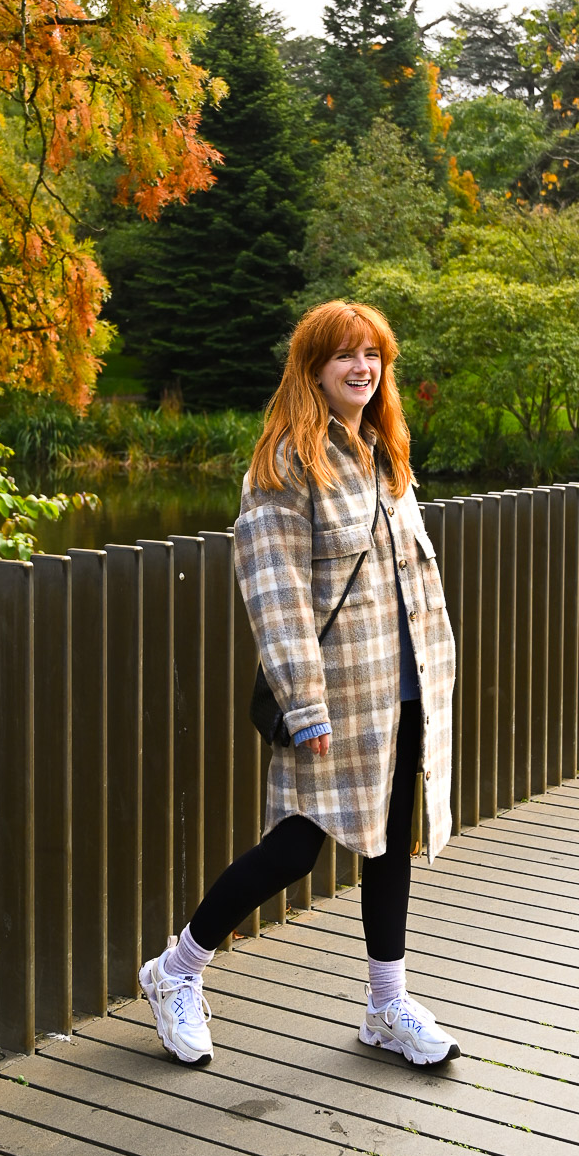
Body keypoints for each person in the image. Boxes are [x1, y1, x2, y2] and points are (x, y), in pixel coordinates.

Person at [138, 300, 459, 1068]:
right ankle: (175, 971)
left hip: (405, 684)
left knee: (386, 845)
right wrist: (303, 703)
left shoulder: (384, 451)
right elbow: (274, 594)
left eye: (372, 355)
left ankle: (386, 1005)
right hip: (335, 691)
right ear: (311, 368)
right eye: (343, 355)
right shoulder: (285, 461)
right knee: (294, 849)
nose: (361, 368)